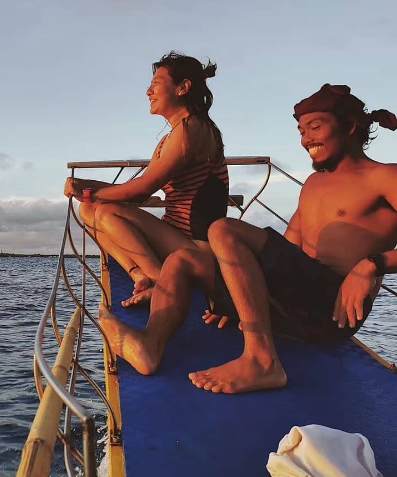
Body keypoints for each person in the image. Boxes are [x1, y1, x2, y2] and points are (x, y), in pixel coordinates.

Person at [98, 83, 397, 394]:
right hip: (296, 303)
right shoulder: (313, 183)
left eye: (316, 127)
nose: (306, 138)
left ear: (350, 126)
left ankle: (262, 361)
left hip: (333, 307)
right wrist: (243, 296)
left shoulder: (384, 176)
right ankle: (149, 345)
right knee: (184, 259)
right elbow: (288, 249)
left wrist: (371, 265)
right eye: (301, 131)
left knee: (223, 229)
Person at [64, 52, 229, 304]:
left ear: (183, 87)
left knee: (106, 213)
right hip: (176, 238)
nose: (148, 91)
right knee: (88, 210)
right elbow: (138, 189)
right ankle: (140, 273)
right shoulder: (172, 136)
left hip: (198, 248)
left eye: (156, 83)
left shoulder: (192, 130)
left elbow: (141, 190)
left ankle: (163, 282)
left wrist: (90, 192)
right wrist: (85, 188)